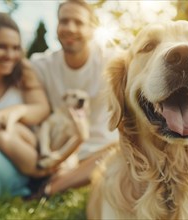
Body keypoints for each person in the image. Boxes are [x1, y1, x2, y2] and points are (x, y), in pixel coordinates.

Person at [30, 0, 118, 197]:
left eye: (78, 23)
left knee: (122, 150)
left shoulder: (113, 61)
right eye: (64, 21)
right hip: (62, 155)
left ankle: (52, 188)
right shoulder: (40, 65)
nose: (70, 28)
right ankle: (66, 179)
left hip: (103, 152)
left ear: (92, 29)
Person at [0, 12, 52, 203]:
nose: (10, 55)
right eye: (1, 47)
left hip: (8, 165)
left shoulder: (22, 75)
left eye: (16, 48)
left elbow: (41, 109)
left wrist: (15, 111)